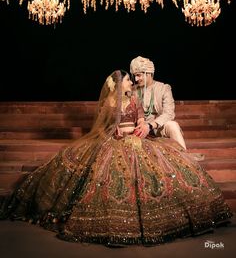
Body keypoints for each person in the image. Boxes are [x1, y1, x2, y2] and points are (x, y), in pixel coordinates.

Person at [0, 70, 232, 247]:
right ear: (119, 85)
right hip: (118, 142)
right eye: (128, 80)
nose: (132, 81)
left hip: (138, 139)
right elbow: (103, 128)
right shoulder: (110, 104)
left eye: (133, 78)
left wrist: (142, 125)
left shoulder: (135, 101)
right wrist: (114, 132)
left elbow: (140, 117)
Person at [130, 56, 187, 150]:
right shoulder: (132, 91)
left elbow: (169, 114)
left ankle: (186, 159)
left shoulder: (163, 88)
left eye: (138, 75)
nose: (136, 79)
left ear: (148, 74)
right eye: (135, 75)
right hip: (137, 129)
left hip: (157, 128)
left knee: (172, 125)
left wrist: (150, 125)